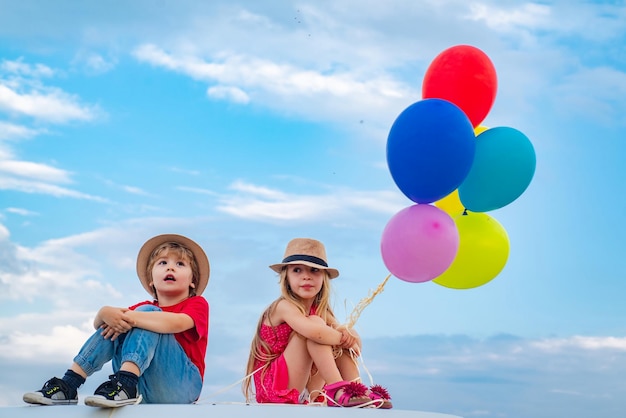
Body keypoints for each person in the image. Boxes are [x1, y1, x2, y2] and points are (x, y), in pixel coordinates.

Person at [23, 234, 210, 408]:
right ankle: (70, 383)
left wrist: (131, 317)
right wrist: (103, 313)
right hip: (146, 387)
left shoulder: (197, 304)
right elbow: (105, 326)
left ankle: (125, 383)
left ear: (192, 280)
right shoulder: (140, 308)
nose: (170, 267)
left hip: (182, 386)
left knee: (145, 315)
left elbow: (177, 323)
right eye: (162, 262)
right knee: (126, 321)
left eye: (180, 264)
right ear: (151, 280)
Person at [242, 238, 392, 408]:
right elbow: (315, 333)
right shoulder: (283, 307)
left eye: (314, 270)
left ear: (324, 278)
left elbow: (352, 342)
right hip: (276, 387)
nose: (306, 276)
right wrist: (342, 337)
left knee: (333, 333)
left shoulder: (321, 311)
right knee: (317, 327)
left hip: (308, 387)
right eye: (297, 270)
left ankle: (356, 389)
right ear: (286, 277)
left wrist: (349, 335)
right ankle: (337, 389)